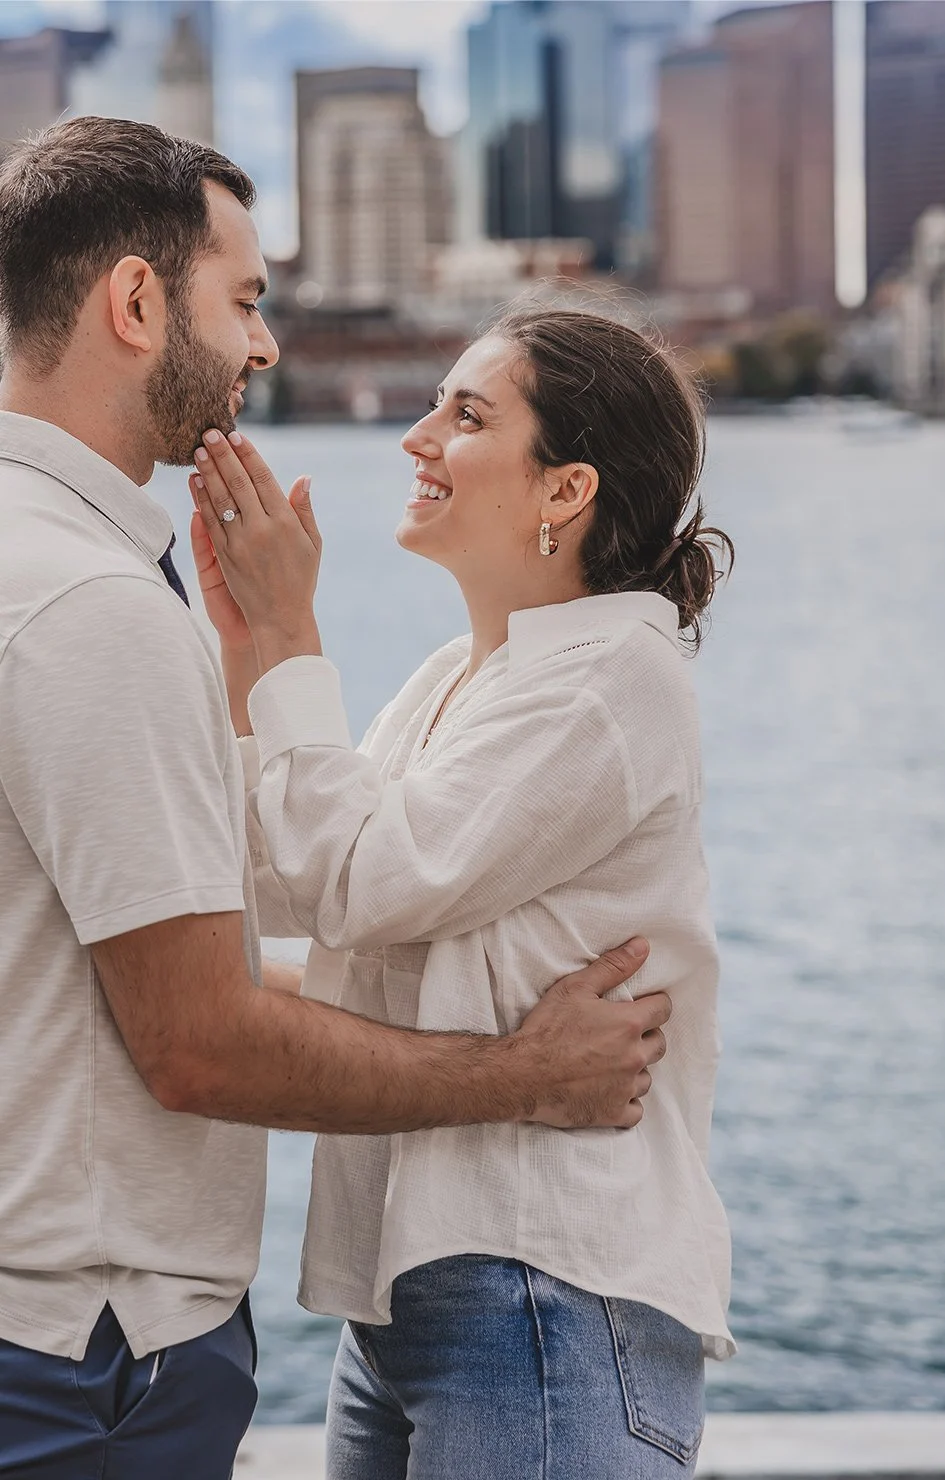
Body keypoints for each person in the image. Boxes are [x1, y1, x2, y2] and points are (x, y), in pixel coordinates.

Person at [0, 118, 666, 1480]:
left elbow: (189, 935)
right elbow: (200, 1040)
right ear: (136, 302)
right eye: (244, 300)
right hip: (87, 1359)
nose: (265, 348)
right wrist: (523, 1075)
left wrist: (254, 668)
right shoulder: (94, 607)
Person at [189, 305, 734, 1476]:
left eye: (467, 413)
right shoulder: (466, 675)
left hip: (544, 1288)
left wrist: (290, 633)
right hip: (427, 1291)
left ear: (564, 489)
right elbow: (287, 881)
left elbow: (361, 879)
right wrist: (250, 655)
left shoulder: (608, 678)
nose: (416, 436)